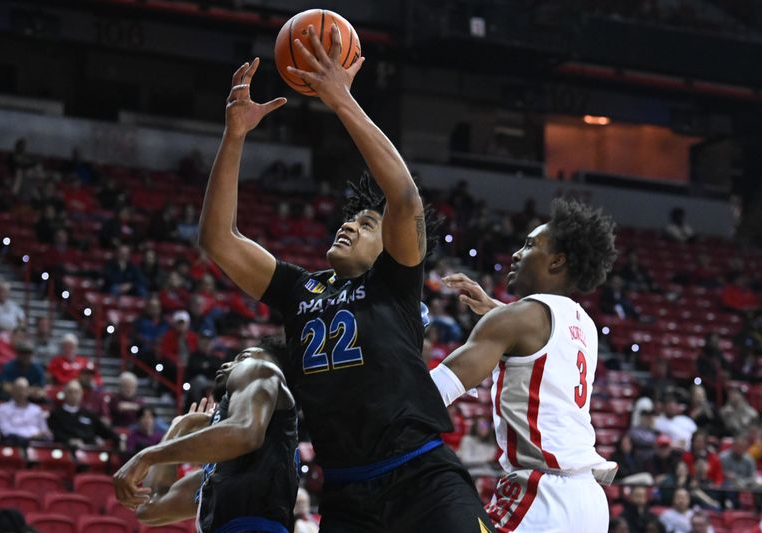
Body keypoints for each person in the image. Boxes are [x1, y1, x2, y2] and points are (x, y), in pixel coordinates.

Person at [195, 28, 495, 532]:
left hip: (421, 477)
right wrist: (235, 135)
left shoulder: (395, 284)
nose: (350, 223)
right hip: (347, 491)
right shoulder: (298, 289)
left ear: (389, 245)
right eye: (350, 218)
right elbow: (219, 240)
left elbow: (402, 195)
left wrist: (340, 99)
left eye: (366, 223)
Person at [435, 199, 618, 531]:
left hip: (542, 494)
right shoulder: (584, 324)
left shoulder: (519, 317)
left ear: (557, 261)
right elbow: (537, 341)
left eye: (531, 245)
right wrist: (497, 310)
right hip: (589, 502)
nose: (518, 253)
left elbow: (433, 391)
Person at [113, 343, 299, 533]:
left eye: (242, 357)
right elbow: (149, 508)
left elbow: (243, 433)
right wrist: (179, 427)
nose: (227, 364)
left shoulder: (262, 368)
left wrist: (148, 455)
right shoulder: (227, 471)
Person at [48, 380, 117, 449]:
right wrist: (69, 440)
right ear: (64, 394)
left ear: (81, 394)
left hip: (89, 452)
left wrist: (118, 440)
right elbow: (54, 433)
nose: (73, 395)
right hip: (64, 450)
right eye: (70, 392)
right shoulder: (55, 414)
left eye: (76, 392)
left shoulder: (89, 414)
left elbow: (105, 432)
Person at [0, 377, 51, 445]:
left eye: (24, 390)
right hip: (14, 443)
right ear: (13, 391)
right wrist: (29, 436)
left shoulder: (36, 409)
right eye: (18, 390)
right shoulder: (3, 409)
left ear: (28, 391)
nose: (21, 393)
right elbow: (5, 431)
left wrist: (44, 434)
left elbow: (44, 429)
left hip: (37, 442)